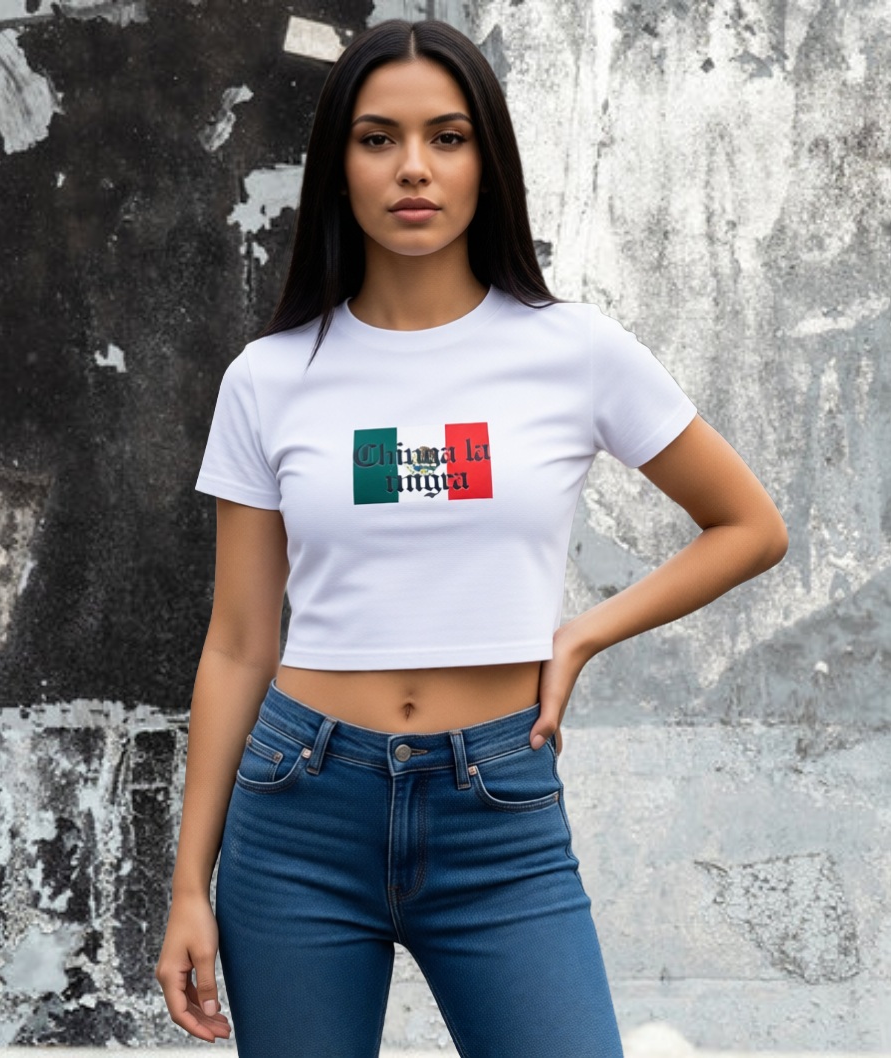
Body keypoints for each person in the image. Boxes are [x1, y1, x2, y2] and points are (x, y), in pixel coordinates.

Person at [154, 17, 788, 1058]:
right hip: (299, 806)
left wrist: (580, 634)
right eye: (377, 138)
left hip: (496, 804)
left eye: (447, 137)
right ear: (337, 167)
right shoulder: (269, 377)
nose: (414, 168)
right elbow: (237, 642)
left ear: (487, 160)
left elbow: (748, 525)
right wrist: (189, 882)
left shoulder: (572, 350)